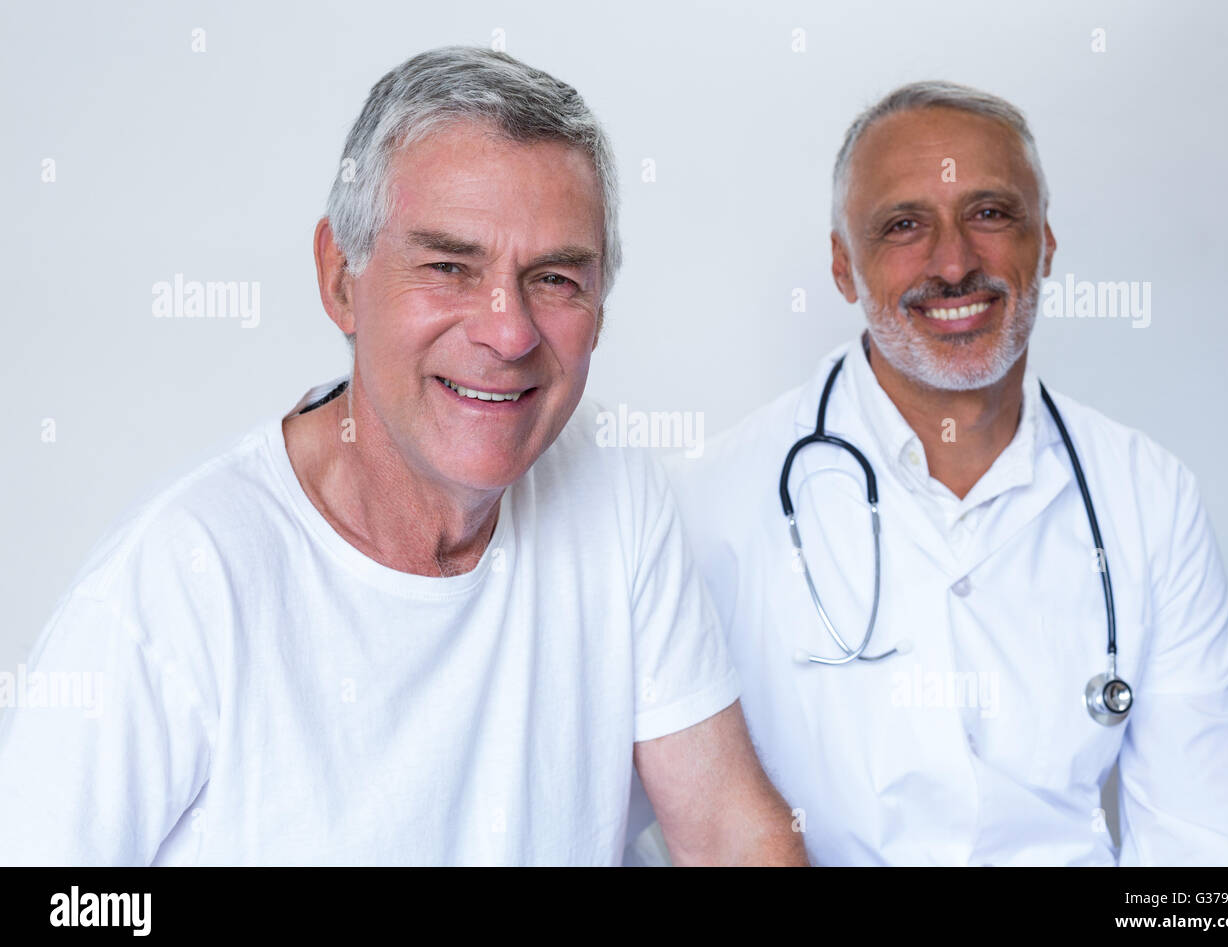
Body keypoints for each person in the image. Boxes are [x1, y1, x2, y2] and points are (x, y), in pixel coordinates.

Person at [0, 47, 806, 866]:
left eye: (556, 278)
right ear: (340, 280)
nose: (508, 331)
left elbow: (731, 834)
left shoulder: (613, 482)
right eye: (450, 267)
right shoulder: (180, 580)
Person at [660, 81, 1228, 865]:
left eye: (990, 214)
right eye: (904, 226)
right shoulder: (709, 501)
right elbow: (669, 824)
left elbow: (1210, 849)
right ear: (844, 268)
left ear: (1044, 243)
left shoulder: (1148, 496)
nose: (953, 263)